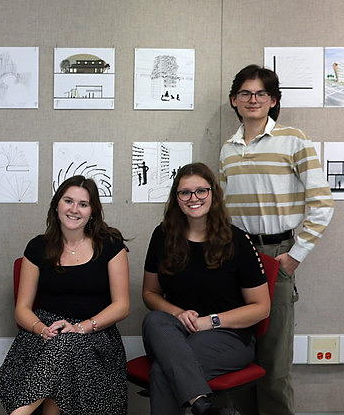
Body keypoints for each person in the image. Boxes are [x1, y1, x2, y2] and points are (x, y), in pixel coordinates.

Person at [217, 64, 332, 415]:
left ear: (273, 100)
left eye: (261, 94)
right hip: (234, 256)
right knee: (236, 356)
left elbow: (323, 204)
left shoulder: (293, 139)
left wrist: (295, 255)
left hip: (276, 253)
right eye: (245, 94)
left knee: (274, 363)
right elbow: (222, 210)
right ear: (234, 101)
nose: (253, 100)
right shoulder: (228, 149)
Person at [142, 163, 271, 415]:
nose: (194, 198)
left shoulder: (237, 240)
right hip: (176, 332)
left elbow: (261, 307)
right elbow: (149, 293)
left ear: (213, 194)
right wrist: (179, 314)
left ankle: (201, 406)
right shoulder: (163, 235)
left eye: (201, 190)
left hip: (228, 336)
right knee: (155, 319)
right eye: (185, 192)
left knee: (162, 370)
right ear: (176, 198)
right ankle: (204, 407)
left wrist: (209, 322)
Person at [0, 176, 131, 415]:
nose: (74, 209)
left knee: (67, 345)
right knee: (61, 346)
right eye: (68, 201)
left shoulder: (110, 245)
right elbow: (22, 309)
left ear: (93, 211)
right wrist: (42, 330)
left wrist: (81, 328)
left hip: (96, 335)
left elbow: (121, 306)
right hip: (44, 333)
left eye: (83, 204)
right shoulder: (37, 247)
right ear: (56, 205)